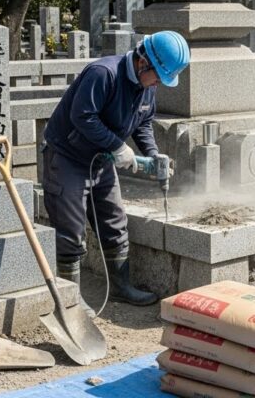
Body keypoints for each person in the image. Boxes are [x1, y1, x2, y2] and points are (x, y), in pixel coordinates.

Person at [42, 31, 190, 305]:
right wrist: (117, 146)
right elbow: (82, 116)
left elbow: (143, 121)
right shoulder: (103, 74)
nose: (158, 82)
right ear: (142, 61)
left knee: (114, 222)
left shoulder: (148, 85)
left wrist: (153, 153)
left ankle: (121, 287)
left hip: (101, 159)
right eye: (157, 76)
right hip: (67, 157)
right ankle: (69, 303)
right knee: (71, 231)